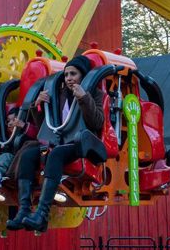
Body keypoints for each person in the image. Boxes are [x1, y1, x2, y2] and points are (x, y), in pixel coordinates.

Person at [7, 55, 105, 233]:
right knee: (29, 153)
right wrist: (38, 107)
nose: (69, 78)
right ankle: (24, 210)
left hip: (84, 142)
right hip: (60, 139)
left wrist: (84, 98)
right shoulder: (59, 95)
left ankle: (42, 214)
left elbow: (97, 122)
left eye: (73, 74)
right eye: (66, 75)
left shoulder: (96, 94)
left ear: (83, 75)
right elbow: (46, 126)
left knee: (56, 153)